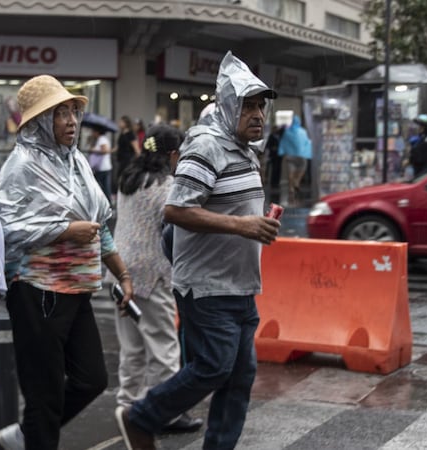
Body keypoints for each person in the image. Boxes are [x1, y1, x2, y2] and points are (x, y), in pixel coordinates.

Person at [114, 52, 281, 450]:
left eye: (261, 106)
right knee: (213, 367)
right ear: (228, 106)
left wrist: (258, 221)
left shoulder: (246, 151)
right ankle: (142, 416)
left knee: (238, 378)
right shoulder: (206, 147)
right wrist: (243, 225)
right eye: (248, 106)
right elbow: (176, 210)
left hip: (241, 285)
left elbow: (230, 207)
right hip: (207, 287)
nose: (257, 115)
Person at [0, 74, 134, 450]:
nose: (72, 121)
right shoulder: (20, 166)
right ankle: (35, 434)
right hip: (37, 291)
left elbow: (97, 225)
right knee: (45, 395)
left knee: (92, 379)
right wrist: (65, 230)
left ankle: (28, 434)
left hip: (77, 289)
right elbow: (6, 228)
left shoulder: (76, 163)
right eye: (60, 113)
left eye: (73, 112)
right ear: (41, 121)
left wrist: (121, 272)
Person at [106, 123, 203, 435]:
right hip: (151, 274)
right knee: (163, 347)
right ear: (173, 154)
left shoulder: (129, 178)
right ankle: (165, 412)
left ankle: (128, 405)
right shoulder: (167, 186)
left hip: (119, 270)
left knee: (132, 346)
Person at [278, 115, 312, 206]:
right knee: (301, 169)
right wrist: (309, 153)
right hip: (301, 156)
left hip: (290, 156)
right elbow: (307, 143)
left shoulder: (287, 131)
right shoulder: (303, 132)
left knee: (290, 173)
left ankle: (291, 189)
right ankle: (297, 182)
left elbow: (283, 142)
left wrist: (281, 152)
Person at [114, 115, 141, 189]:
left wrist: (139, 160)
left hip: (128, 160)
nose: (119, 123)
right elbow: (118, 147)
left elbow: (136, 149)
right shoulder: (122, 134)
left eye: (121, 122)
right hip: (121, 159)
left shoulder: (130, 134)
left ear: (126, 123)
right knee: (119, 178)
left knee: (125, 178)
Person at [86, 125, 113, 200]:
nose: (92, 133)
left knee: (102, 186)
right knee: (104, 186)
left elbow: (105, 150)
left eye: (93, 131)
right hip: (102, 167)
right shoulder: (100, 139)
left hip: (102, 167)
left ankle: (106, 201)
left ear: (97, 132)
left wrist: (93, 150)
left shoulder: (102, 139)